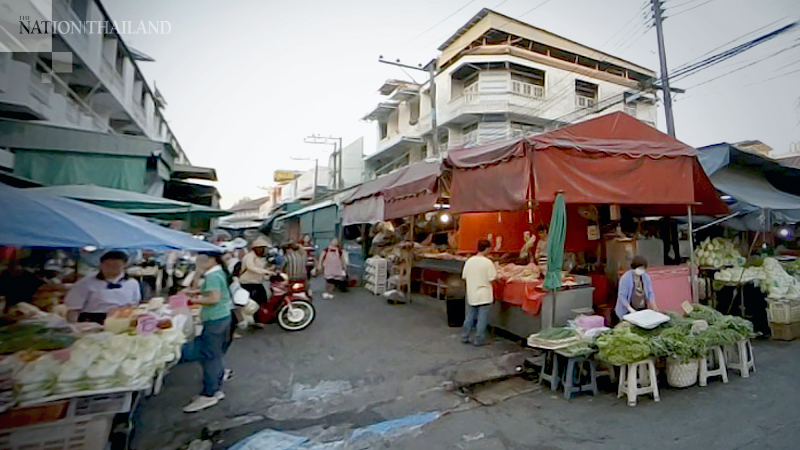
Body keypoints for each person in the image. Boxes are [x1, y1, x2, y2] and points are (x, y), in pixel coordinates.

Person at [182, 252, 233, 413]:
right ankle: (216, 388)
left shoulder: (212, 276)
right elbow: (213, 293)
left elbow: (214, 298)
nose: (199, 262)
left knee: (210, 356)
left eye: (202, 259)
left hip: (215, 319)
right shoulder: (217, 272)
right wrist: (197, 292)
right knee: (215, 354)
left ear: (212, 260)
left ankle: (209, 393)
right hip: (222, 317)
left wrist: (193, 300)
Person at [65, 251, 141, 324]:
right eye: (108, 265)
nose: (112, 268)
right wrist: (73, 326)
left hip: (122, 318)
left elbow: (134, 304)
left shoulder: (132, 283)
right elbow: (73, 308)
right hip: (92, 320)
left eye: (116, 265)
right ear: (101, 265)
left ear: (124, 266)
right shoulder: (85, 282)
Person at [461, 238, 497, 346]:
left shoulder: (469, 261)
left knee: (469, 316)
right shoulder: (488, 262)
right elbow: (492, 277)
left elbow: (464, 276)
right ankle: (479, 339)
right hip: (484, 294)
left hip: (471, 293)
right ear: (487, 249)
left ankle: (465, 336)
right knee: (482, 318)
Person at [615, 256, 659, 322]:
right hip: (628, 310)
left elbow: (650, 292)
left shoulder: (646, 277)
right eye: (640, 268)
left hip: (642, 308)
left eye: (643, 268)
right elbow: (622, 296)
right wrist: (630, 308)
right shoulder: (626, 278)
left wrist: (653, 305)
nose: (642, 270)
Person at [239, 236, 272, 306]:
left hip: (257, 283)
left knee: (263, 300)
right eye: (262, 248)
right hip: (247, 283)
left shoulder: (261, 258)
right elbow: (251, 267)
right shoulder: (249, 257)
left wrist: (269, 273)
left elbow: (262, 270)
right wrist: (265, 271)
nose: (263, 250)